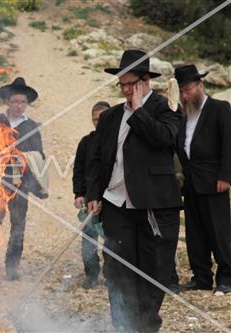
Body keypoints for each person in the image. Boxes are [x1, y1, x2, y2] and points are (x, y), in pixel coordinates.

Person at [87, 49, 182, 332]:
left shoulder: (165, 109)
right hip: (116, 205)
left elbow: (163, 139)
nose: (126, 89)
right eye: (123, 84)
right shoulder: (110, 117)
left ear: (145, 82)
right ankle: (123, 326)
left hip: (154, 206)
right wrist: (94, 194)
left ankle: (146, 326)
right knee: (117, 270)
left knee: (153, 271)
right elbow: (96, 159)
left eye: (131, 84)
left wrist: (140, 109)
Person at [0, 77, 45, 281]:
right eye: (15, 101)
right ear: (8, 102)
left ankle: (12, 269)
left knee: (18, 226)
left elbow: (39, 155)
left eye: (23, 102)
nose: (19, 106)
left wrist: (24, 158)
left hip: (21, 185)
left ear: (27, 104)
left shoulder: (31, 127)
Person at [174, 64, 231, 295]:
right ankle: (201, 277)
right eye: (182, 91)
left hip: (214, 181)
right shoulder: (183, 115)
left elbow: (229, 143)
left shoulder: (220, 108)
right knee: (195, 233)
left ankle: (227, 278)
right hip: (191, 182)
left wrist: (226, 176)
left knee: (219, 231)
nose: (185, 95)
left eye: (188, 90)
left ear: (200, 85)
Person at [73, 101, 110, 289]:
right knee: (88, 237)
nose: (98, 123)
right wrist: (79, 193)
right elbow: (79, 169)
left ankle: (112, 276)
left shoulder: (118, 141)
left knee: (112, 239)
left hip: (113, 200)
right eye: (95, 119)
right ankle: (92, 274)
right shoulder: (86, 142)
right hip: (89, 199)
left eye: (102, 118)